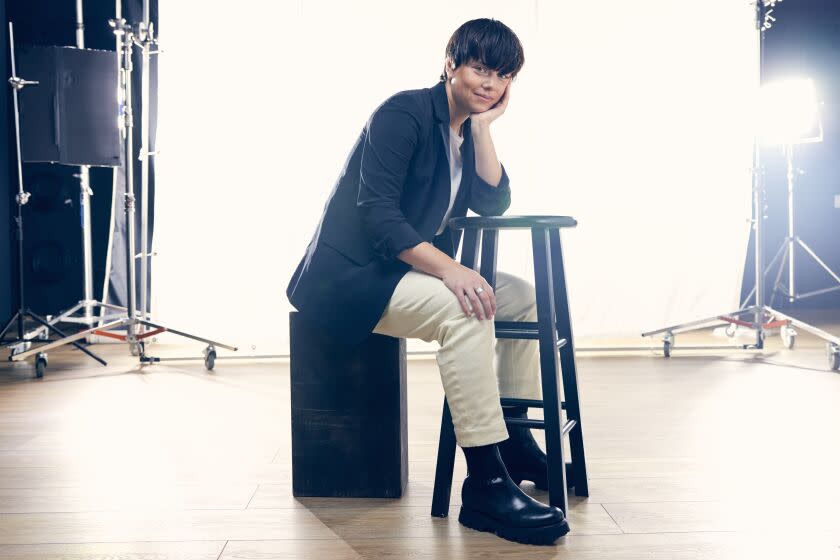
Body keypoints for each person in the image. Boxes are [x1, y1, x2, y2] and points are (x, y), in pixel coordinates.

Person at [287, 18, 569, 545]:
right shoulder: (405, 113)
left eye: (502, 75)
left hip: (406, 270)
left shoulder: (466, 131)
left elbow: (493, 201)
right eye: (480, 68)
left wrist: (484, 130)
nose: (490, 84)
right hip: (355, 277)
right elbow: (378, 217)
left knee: (522, 299)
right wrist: (451, 268)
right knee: (465, 309)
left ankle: (513, 446)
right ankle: (485, 484)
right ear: (450, 63)